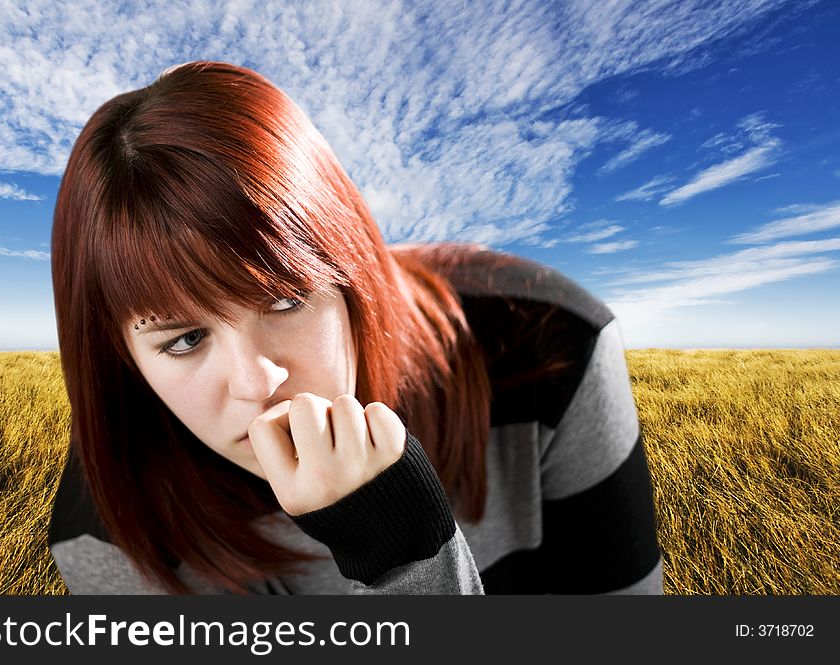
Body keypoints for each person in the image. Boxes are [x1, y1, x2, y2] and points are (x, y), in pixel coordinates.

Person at [48, 60, 663, 595]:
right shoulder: (106, 526)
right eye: (183, 340)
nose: (256, 382)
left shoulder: (551, 342)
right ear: (120, 357)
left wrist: (402, 552)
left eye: (285, 300)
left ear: (352, 272)